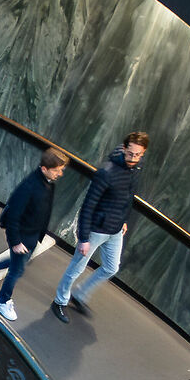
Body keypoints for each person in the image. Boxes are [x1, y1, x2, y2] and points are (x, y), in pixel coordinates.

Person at [52, 131, 149, 322]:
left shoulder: (134, 170)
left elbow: (127, 198)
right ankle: (59, 301)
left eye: (138, 155)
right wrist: (84, 238)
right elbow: (88, 205)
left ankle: (79, 295)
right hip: (97, 230)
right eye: (131, 153)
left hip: (115, 230)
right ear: (124, 148)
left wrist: (123, 220)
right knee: (77, 268)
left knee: (111, 268)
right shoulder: (107, 172)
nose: (133, 158)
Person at [0, 148, 68, 322]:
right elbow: (13, 215)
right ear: (44, 169)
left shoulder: (49, 183)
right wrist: (16, 241)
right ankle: (3, 301)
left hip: (32, 235)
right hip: (23, 236)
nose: (60, 173)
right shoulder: (29, 187)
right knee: (17, 270)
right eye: (57, 170)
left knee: (17, 262)